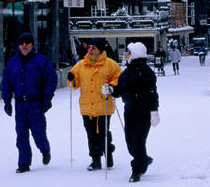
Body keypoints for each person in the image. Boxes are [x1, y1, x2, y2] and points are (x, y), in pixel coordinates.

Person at [1, 32, 58, 173]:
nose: (24, 46)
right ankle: (24, 163)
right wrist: (7, 100)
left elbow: (51, 79)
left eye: (27, 43)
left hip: (36, 104)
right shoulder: (12, 63)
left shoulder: (42, 61)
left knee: (38, 133)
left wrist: (47, 97)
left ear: (32, 44)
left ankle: (45, 149)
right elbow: (6, 82)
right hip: (20, 104)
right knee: (21, 135)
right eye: (22, 43)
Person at [106, 42, 160, 183]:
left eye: (128, 52)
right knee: (130, 142)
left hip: (143, 110)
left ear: (135, 54)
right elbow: (120, 90)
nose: (126, 55)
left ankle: (136, 170)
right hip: (129, 110)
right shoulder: (126, 72)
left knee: (138, 141)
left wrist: (154, 110)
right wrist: (111, 90)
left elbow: (152, 93)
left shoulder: (146, 72)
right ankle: (144, 160)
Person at [67, 37, 121, 171]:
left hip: (104, 106)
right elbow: (74, 82)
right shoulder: (81, 65)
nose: (90, 50)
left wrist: (111, 86)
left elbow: (118, 77)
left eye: (93, 48)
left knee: (103, 133)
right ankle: (95, 160)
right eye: (89, 47)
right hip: (87, 106)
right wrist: (71, 79)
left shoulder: (110, 64)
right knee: (91, 135)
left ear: (100, 50)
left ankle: (108, 152)